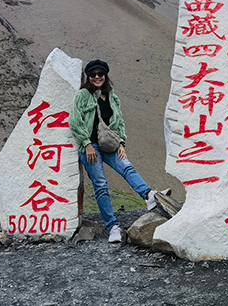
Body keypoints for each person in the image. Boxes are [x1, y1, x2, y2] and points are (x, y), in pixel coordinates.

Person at [69, 59, 169, 243]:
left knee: (127, 167)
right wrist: (86, 144)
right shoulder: (83, 95)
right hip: (90, 147)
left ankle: (149, 195)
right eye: (92, 74)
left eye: (100, 73)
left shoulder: (112, 97)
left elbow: (119, 123)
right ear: (88, 77)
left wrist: (121, 143)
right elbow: (75, 121)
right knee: (101, 185)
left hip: (109, 144)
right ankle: (113, 227)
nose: (97, 77)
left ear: (105, 75)